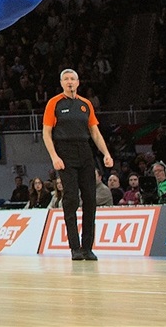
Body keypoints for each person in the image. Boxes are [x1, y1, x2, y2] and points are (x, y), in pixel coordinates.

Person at [42, 68, 113, 261]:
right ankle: (75, 247)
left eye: (72, 78)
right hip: (64, 152)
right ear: (61, 83)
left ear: (78, 82)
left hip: (85, 151)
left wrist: (106, 153)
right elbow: (46, 133)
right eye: (66, 79)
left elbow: (95, 133)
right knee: (71, 199)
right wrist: (54, 156)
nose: (69, 82)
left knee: (90, 198)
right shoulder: (54, 103)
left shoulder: (85, 104)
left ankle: (87, 247)